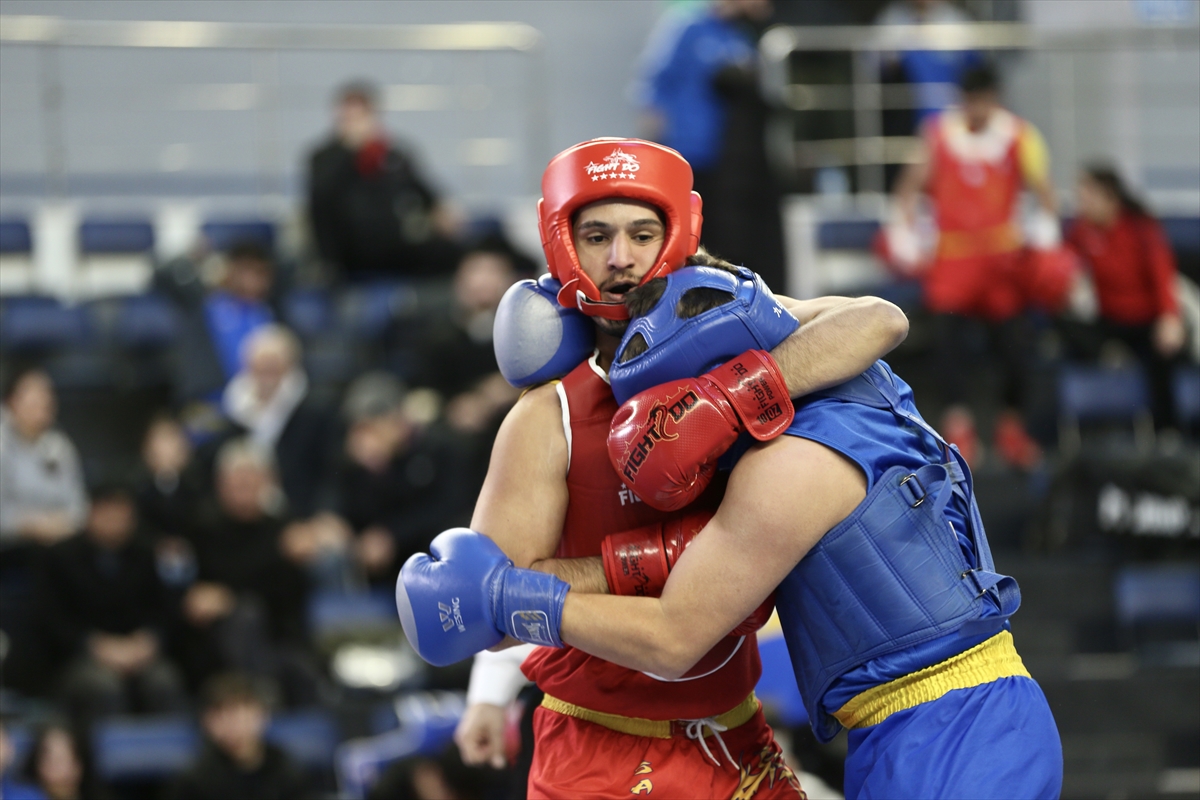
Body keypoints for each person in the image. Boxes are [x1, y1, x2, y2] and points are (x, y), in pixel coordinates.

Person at [398, 261, 1063, 799]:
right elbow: (875, 316)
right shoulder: (856, 377)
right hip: (959, 714)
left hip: (943, 734)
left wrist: (509, 598)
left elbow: (672, 640)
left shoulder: (788, 465)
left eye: (670, 399)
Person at [402, 137, 909, 798]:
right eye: (597, 237)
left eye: (643, 234)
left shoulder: (729, 352)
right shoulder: (548, 416)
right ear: (564, 248)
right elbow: (491, 604)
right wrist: (668, 556)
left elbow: (878, 320)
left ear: (677, 240)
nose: (621, 257)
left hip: (735, 736)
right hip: (600, 753)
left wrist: (728, 397)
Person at [889, 63, 1073, 469]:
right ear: (963, 100)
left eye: (985, 101)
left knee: (1015, 350)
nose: (978, 109)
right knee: (949, 350)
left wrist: (1046, 236)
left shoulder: (1020, 137)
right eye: (972, 101)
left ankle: (1012, 429)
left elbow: (1046, 193)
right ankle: (959, 430)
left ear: (996, 99)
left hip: (1002, 263)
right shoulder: (938, 136)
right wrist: (906, 233)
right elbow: (908, 189)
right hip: (953, 261)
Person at [636, 0, 786, 293]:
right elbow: (653, 90)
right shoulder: (688, 26)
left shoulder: (741, 36)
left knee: (725, 245)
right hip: (688, 157)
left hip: (728, 164)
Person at [175, 440, 318, 703]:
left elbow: (289, 595)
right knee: (246, 616)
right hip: (218, 643)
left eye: (251, 480)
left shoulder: (283, 529)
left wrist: (228, 595)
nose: (244, 488)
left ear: (268, 483)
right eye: (237, 481)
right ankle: (256, 700)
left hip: (277, 636)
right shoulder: (201, 527)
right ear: (220, 484)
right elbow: (196, 594)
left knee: (305, 671)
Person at [34, 484, 187, 721]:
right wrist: (95, 646)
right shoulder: (59, 557)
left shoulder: (148, 554)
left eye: (121, 516)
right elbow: (51, 618)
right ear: (91, 513)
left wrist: (149, 640)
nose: (114, 523)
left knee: (164, 681)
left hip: (140, 651)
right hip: (81, 656)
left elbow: (166, 609)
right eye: (107, 514)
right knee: (103, 687)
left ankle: (170, 746)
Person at [1065, 163, 1188, 428]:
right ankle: (1110, 360)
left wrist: (1169, 317)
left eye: (1088, 196)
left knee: (1164, 355)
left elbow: (1162, 274)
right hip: (1109, 322)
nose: (1082, 204)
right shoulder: (1082, 231)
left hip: (1146, 321)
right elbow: (1063, 263)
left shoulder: (1141, 228)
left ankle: (1168, 431)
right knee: (1062, 324)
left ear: (1109, 197)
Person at [307, 81, 460, 281]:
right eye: (349, 118)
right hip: (347, 249)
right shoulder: (324, 158)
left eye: (361, 117)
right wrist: (351, 149)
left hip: (392, 243)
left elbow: (422, 190)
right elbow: (321, 198)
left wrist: (441, 209)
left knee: (453, 251)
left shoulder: (391, 154)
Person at [333, 372, 470, 586]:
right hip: (383, 569)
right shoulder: (357, 463)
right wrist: (376, 472)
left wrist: (393, 535)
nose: (371, 435)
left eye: (375, 424)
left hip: (435, 562)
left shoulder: (440, 448)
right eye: (363, 428)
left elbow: (449, 507)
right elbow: (356, 514)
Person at [222, 324, 335, 518]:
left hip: (299, 510)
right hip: (243, 513)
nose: (266, 371)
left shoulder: (313, 411)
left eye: (273, 364)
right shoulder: (234, 409)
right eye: (261, 365)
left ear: (289, 366)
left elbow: (325, 471)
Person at [169, 672, 311, 800]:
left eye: (239, 716)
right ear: (206, 723)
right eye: (220, 716)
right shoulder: (196, 780)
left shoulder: (286, 768)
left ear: (262, 715)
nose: (232, 727)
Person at [174, 239, 278, 405]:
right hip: (212, 401)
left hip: (259, 401)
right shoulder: (206, 307)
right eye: (247, 271)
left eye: (261, 273)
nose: (254, 281)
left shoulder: (267, 313)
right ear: (231, 270)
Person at [0, 369, 88, 550]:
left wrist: (61, 524)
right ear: (12, 401)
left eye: (47, 394)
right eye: (34, 394)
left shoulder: (60, 446)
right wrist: (30, 526)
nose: (44, 400)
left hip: (56, 546)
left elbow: (79, 507)